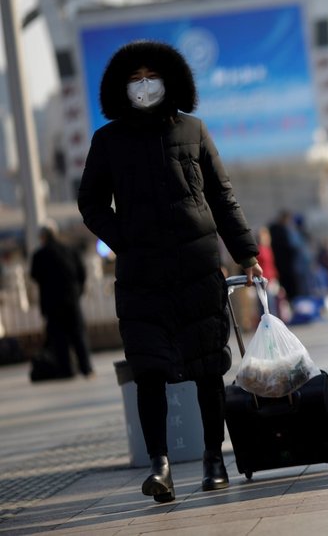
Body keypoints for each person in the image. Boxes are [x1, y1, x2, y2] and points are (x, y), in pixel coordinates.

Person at [77, 40, 262, 503]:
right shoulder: (108, 140)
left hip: (198, 269)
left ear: (170, 80)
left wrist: (247, 254)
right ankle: (160, 464)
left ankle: (213, 457)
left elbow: (222, 197)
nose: (144, 86)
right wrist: (125, 238)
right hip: (142, 275)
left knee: (207, 369)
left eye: (151, 76)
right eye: (134, 79)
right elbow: (91, 203)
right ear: (121, 88)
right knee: (149, 370)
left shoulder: (194, 131)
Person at [29, 220, 93, 378]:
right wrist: (77, 292)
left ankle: (67, 371)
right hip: (72, 300)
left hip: (52, 304)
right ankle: (87, 369)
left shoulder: (39, 255)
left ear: (43, 237)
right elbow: (82, 273)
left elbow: (35, 276)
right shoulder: (70, 250)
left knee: (59, 338)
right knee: (78, 335)